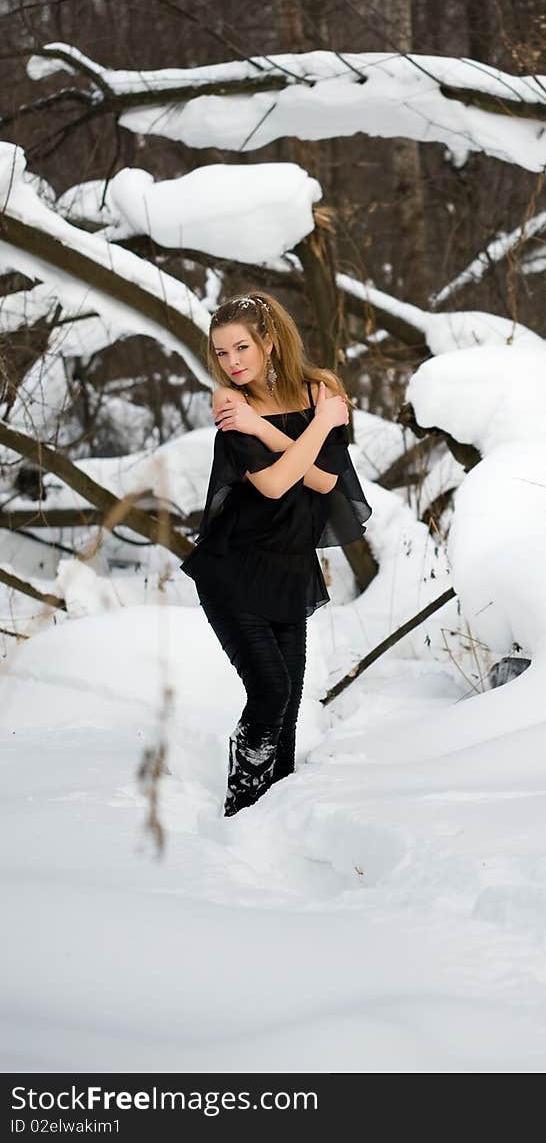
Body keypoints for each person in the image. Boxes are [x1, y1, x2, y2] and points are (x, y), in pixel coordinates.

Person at [180, 290, 371, 817]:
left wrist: (271, 429)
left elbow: (328, 478)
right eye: (221, 353)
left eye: (241, 348)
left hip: (289, 568)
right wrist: (303, 425)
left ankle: (271, 822)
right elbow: (277, 482)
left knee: (286, 709)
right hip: (233, 569)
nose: (232, 363)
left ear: (268, 342)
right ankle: (239, 806)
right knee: (270, 690)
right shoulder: (232, 408)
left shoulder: (320, 391)